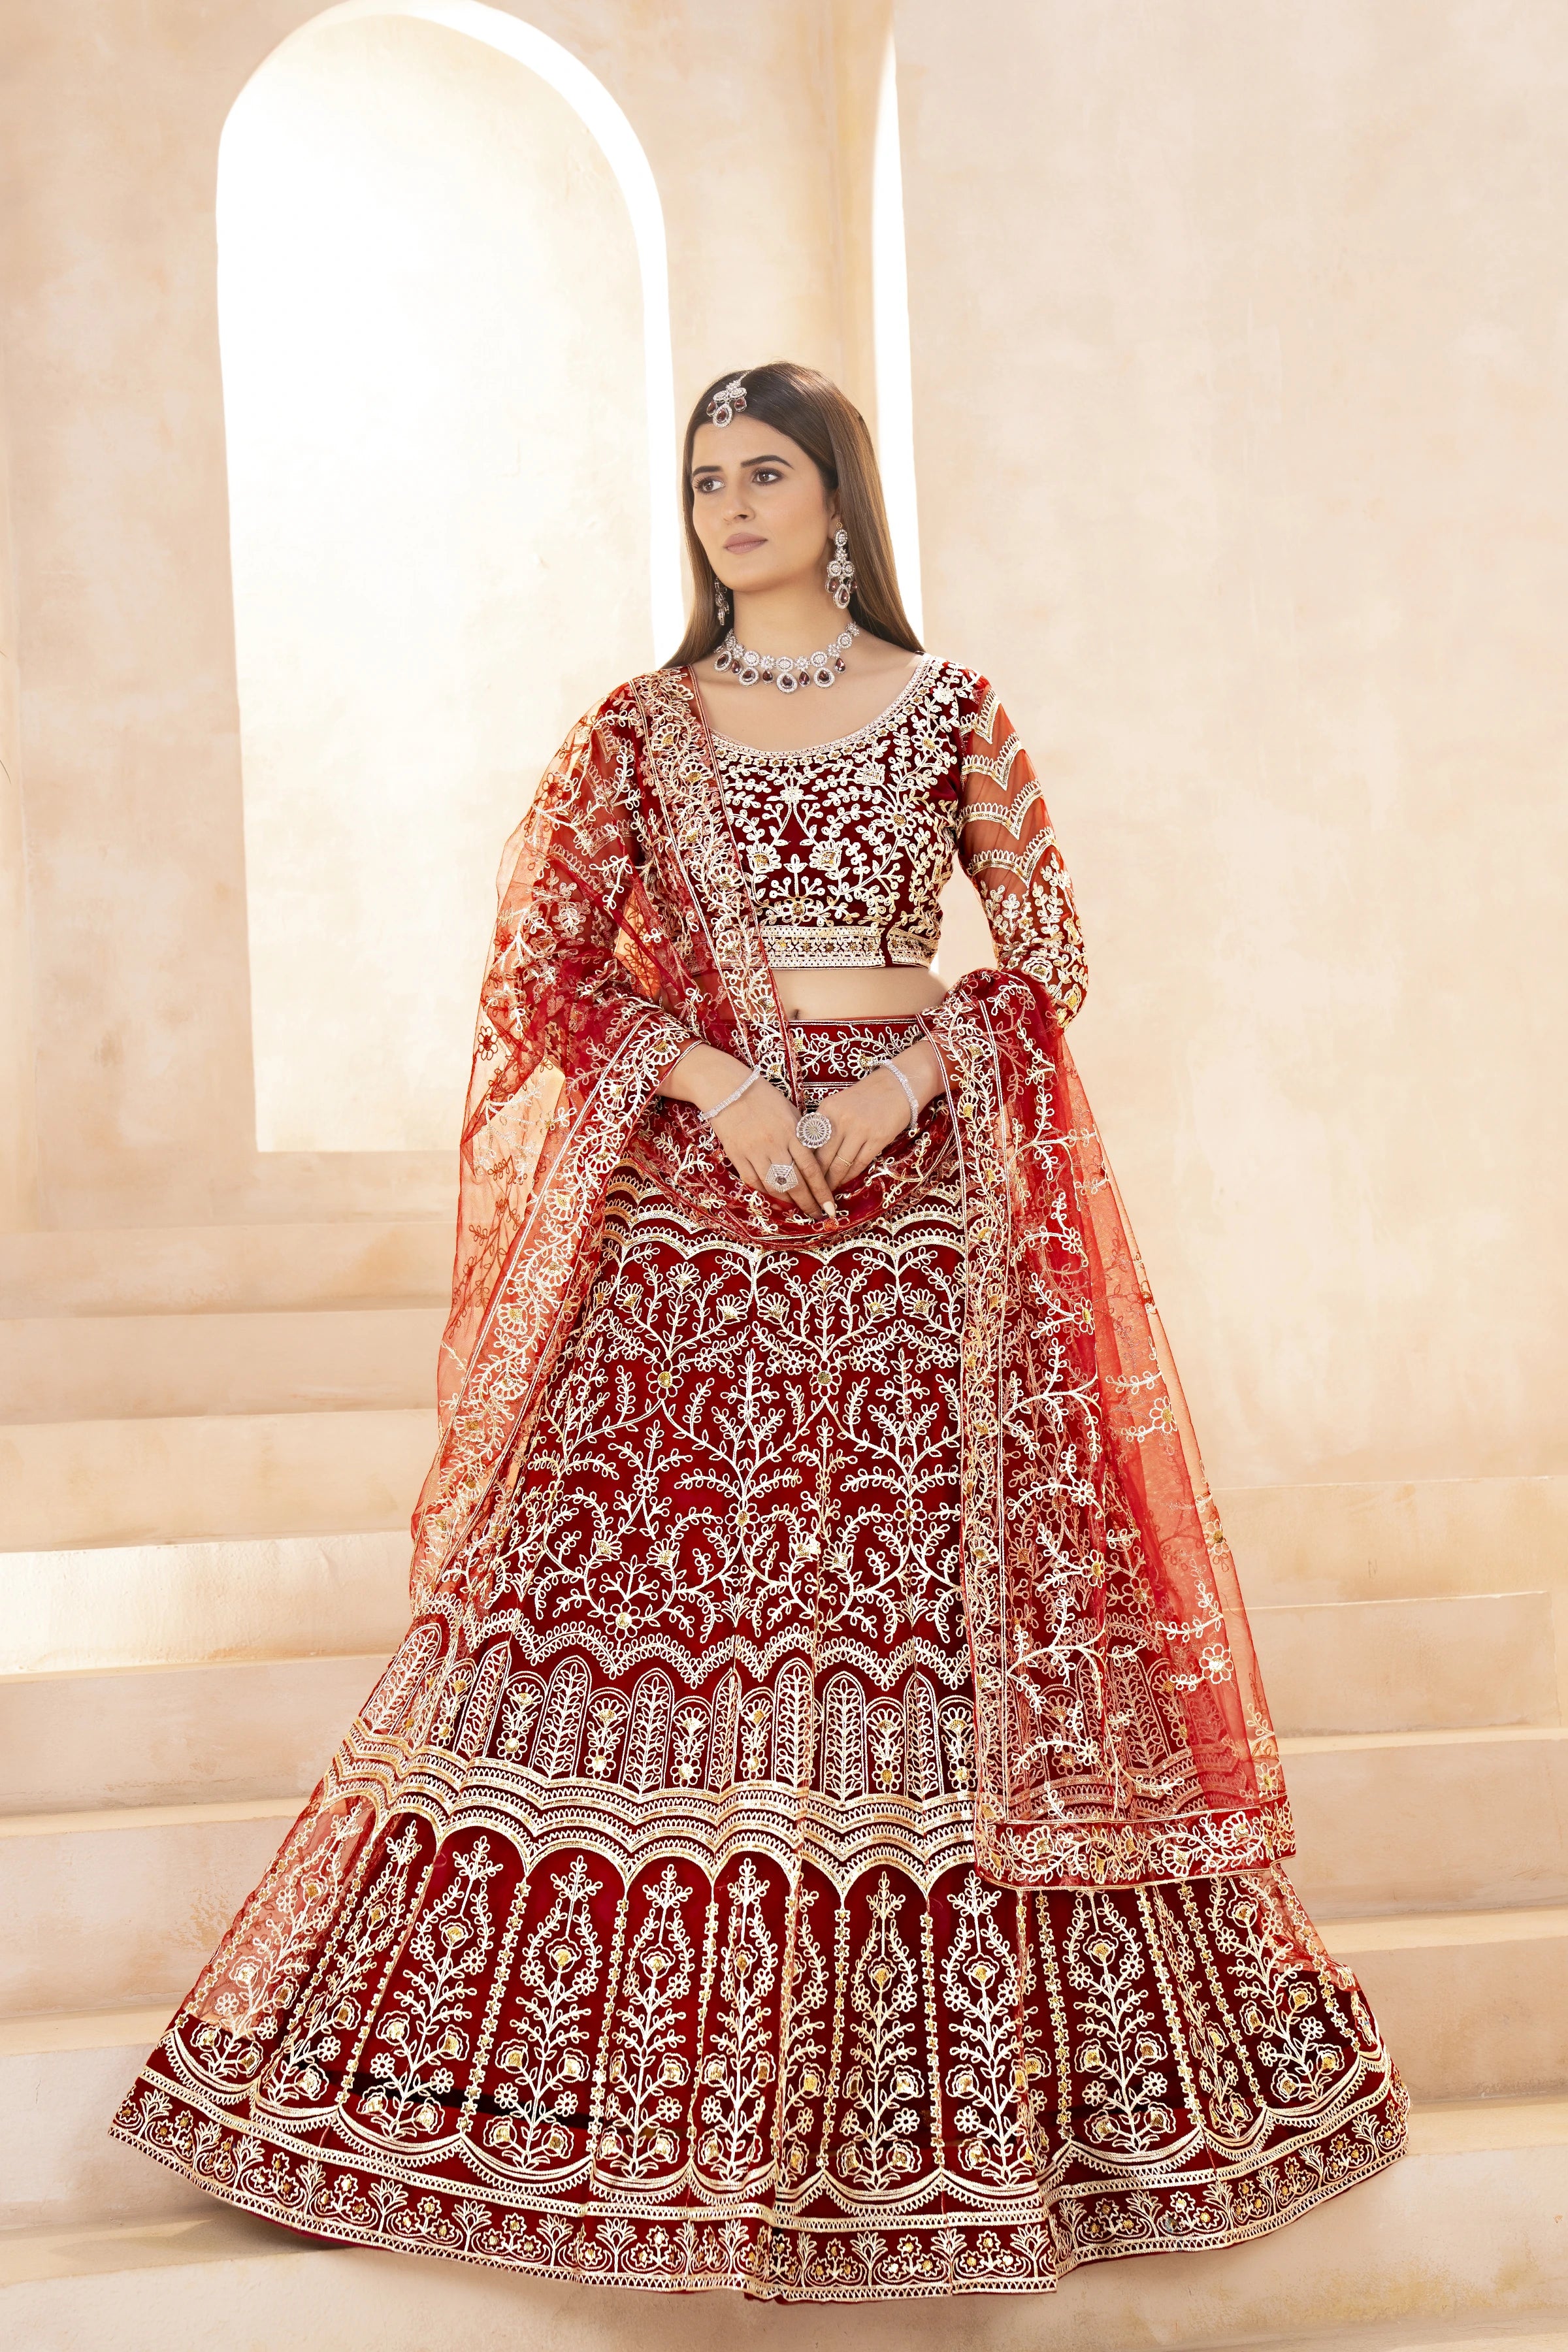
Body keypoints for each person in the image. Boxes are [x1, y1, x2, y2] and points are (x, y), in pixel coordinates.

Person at [114, 362, 1405, 2301]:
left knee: (919, 1622)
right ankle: (533, 2099)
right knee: (636, 1607)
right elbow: (547, 980)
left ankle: (975, 2128)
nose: (731, 506)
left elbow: (1047, 949)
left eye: (766, 472)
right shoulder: (636, 736)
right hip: (690, 1224)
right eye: (705, 476)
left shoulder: (953, 707)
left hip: (918, 1231)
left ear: (837, 497)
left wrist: (895, 1093)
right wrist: (720, 1089)